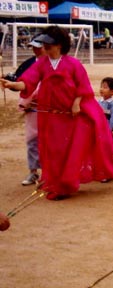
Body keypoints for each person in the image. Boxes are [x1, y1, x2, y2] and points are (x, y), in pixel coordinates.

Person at [0, 25, 113, 200]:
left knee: (70, 150)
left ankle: (65, 185)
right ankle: (54, 184)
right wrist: (14, 85)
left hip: (71, 116)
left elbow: (83, 87)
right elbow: (28, 81)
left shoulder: (73, 64)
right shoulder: (42, 63)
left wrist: (76, 103)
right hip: (50, 117)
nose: (45, 47)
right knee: (52, 151)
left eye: (49, 44)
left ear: (59, 45)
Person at [6, 36, 46, 186]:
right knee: (32, 140)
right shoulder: (29, 63)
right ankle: (33, 172)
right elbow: (19, 82)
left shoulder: (53, 64)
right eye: (33, 47)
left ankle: (49, 173)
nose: (35, 50)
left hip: (49, 109)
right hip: (31, 108)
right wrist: (11, 84)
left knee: (49, 141)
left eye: (39, 46)